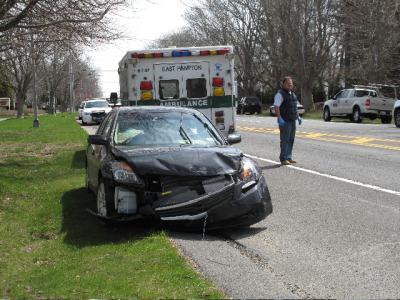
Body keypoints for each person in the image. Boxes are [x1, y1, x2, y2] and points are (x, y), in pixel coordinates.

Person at [273, 76, 302, 165]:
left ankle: (289, 157)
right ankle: (283, 158)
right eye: (288, 83)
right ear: (284, 84)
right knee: (285, 140)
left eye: (291, 83)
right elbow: (276, 106)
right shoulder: (280, 94)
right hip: (284, 121)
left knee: (291, 139)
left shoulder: (292, 94)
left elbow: (294, 107)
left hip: (292, 120)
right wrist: (279, 117)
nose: (290, 84)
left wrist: (298, 116)